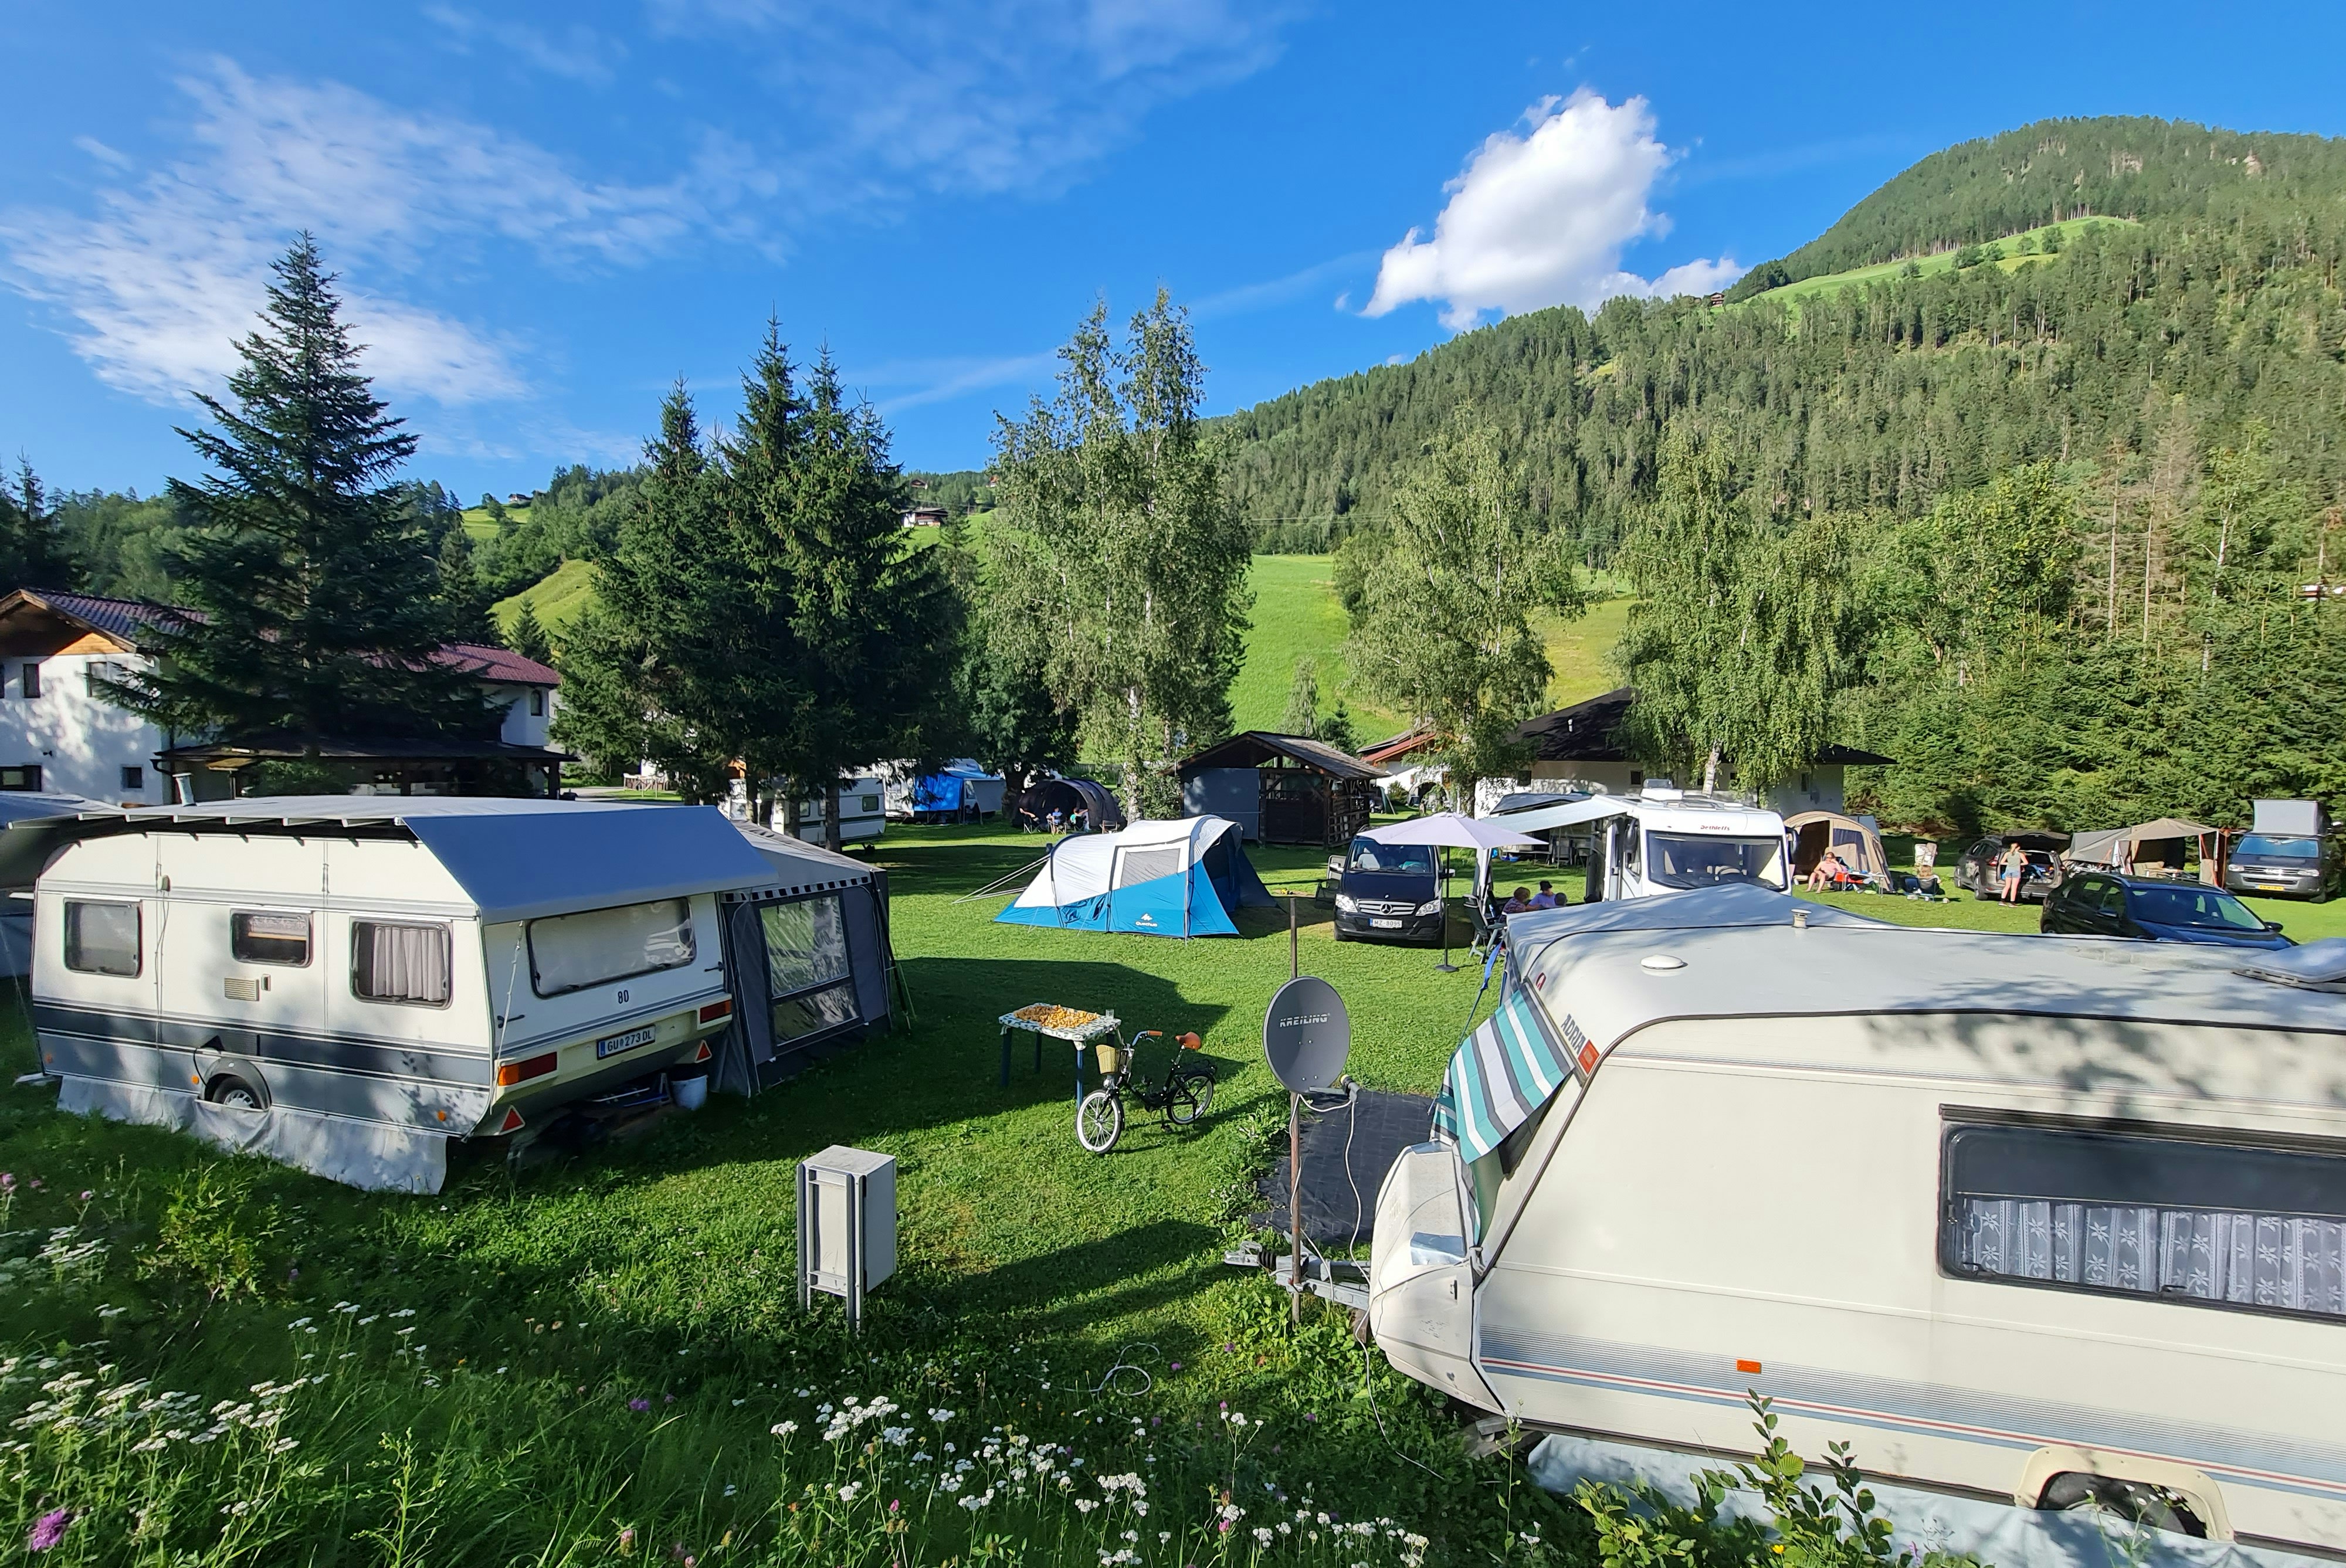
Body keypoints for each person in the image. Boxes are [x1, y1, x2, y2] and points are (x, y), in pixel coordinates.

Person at [1998, 841, 2028, 905]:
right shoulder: (2021, 854)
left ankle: (2002, 900)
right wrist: (2019, 864)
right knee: (2014, 887)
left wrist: (2009, 863)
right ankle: (2012, 902)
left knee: (2007, 886)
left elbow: (2002, 863)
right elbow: (2026, 863)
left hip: (2008, 870)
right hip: (2016, 871)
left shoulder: (2007, 854)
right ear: (2018, 848)